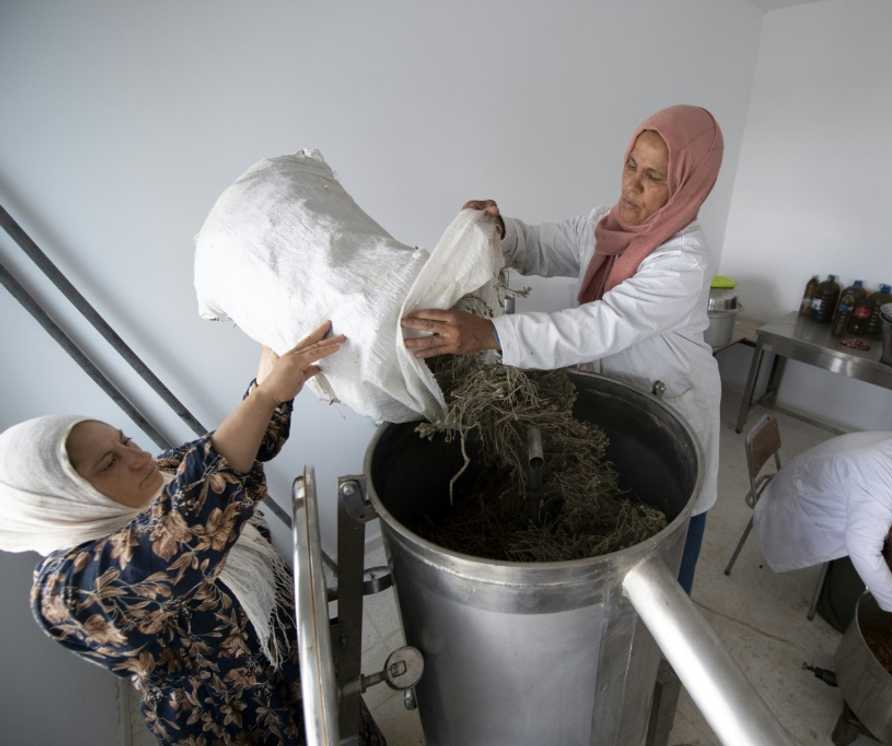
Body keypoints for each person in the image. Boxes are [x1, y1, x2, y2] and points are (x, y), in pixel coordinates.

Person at [0, 322, 384, 745]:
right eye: (109, 462)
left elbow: (245, 447)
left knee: (339, 726)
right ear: (57, 501)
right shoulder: (65, 593)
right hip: (232, 717)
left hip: (287, 658)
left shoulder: (158, 478)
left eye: (125, 440)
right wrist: (264, 395)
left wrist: (270, 368)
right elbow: (180, 531)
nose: (139, 456)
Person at [400, 105, 724, 593]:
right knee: (611, 504)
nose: (632, 185)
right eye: (631, 164)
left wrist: (489, 334)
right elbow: (546, 245)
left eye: (654, 176)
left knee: (669, 536)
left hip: (670, 403)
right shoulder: (609, 225)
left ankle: (663, 651)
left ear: (686, 186)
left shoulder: (684, 262)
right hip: (617, 392)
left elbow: (599, 325)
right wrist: (500, 230)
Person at [753, 421, 892, 647]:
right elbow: (862, 549)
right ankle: (838, 613)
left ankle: (886, 601)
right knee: (866, 559)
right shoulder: (878, 480)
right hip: (800, 505)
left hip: (836, 495)